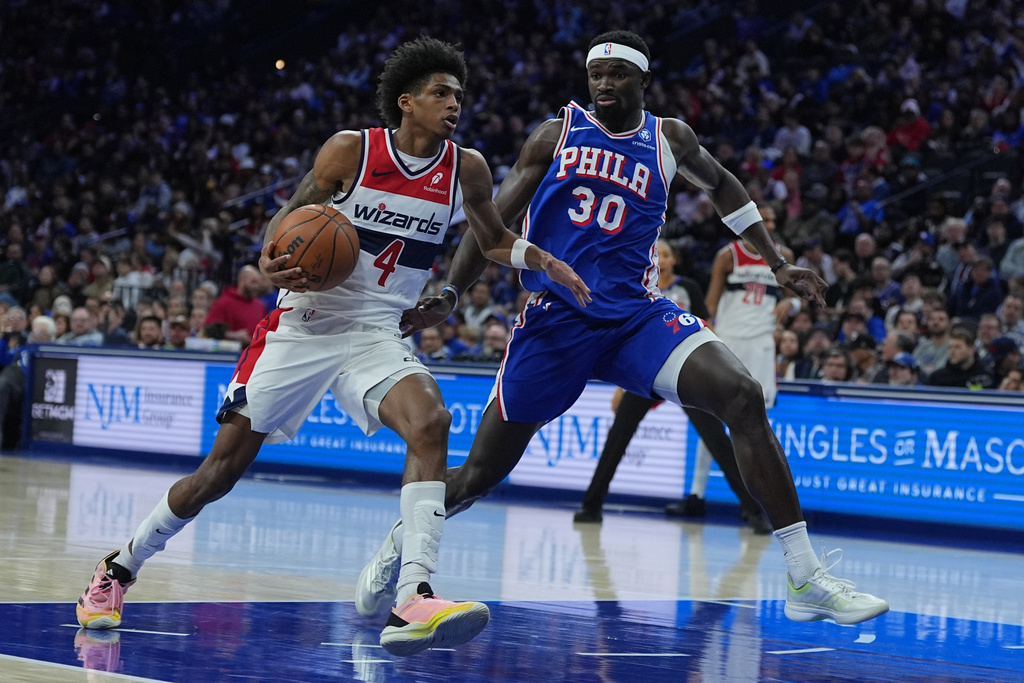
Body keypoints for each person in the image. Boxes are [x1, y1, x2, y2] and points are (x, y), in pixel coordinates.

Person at [75, 37, 590, 659]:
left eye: (459, 94)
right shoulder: (352, 149)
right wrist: (273, 260)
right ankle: (119, 569)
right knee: (218, 475)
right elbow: (288, 222)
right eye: (440, 93)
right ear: (406, 101)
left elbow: (491, 237)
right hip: (303, 327)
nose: (455, 104)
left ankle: (415, 595)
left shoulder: (467, 167)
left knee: (432, 421)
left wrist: (539, 261)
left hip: (378, 332)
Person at [358, 31, 887, 628]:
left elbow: (724, 187)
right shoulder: (556, 134)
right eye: (596, 74)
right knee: (479, 476)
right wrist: (452, 291)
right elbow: (495, 221)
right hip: (557, 321)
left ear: (642, 80)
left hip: (637, 316)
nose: (604, 84)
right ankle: (403, 538)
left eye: (617, 74)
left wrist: (777, 260)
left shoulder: (669, 138)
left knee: (740, 395)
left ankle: (805, 575)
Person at [572, 240, 771, 534]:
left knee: (717, 439)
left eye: (666, 255)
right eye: (657, 254)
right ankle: (592, 505)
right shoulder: (638, 286)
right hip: (645, 373)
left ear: (674, 260)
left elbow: (706, 327)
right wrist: (619, 386)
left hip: (686, 372)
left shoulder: (688, 288)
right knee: (618, 436)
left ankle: (754, 511)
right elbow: (624, 337)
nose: (661, 259)